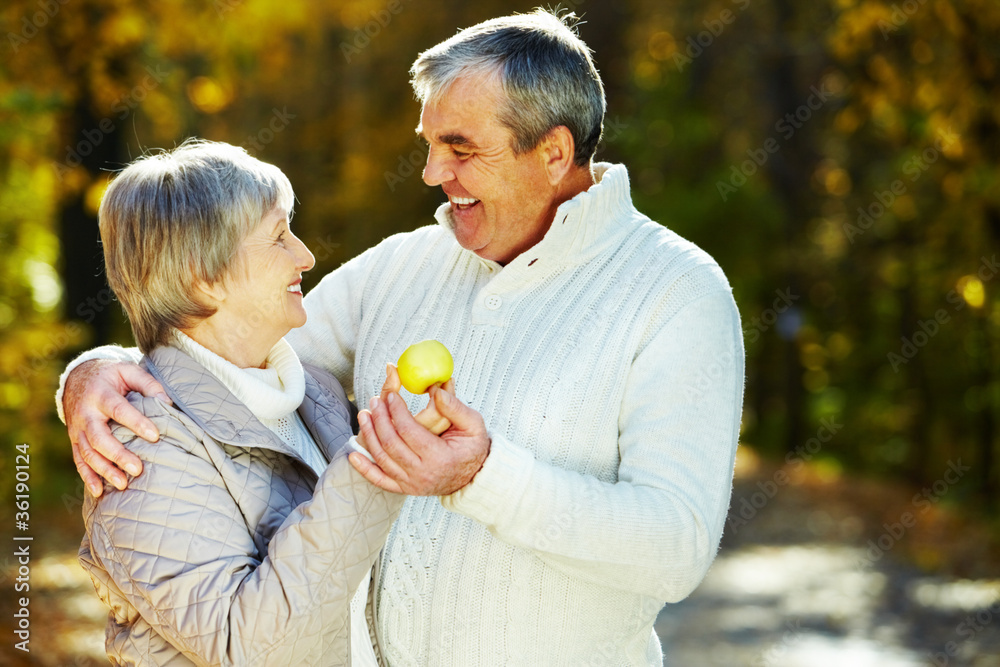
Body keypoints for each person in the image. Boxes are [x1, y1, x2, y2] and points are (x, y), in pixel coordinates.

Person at [60, 10, 745, 665]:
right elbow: (229, 349)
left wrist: (484, 475)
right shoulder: (401, 266)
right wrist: (98, 368)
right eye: (430, 144)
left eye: (461, 148)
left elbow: (675, 546)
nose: (431, 173)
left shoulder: (675, 292)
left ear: (552, 151)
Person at [74, 139, 461, 666]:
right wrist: (375, 465)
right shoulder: (145, 445)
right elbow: (252, 648)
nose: (305, 255)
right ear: (202, 276)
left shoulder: (315, 393)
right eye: (279, 237)